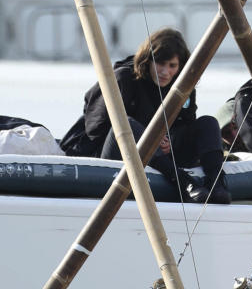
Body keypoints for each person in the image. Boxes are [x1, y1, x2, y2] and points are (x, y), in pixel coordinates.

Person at [59, 26, 231, 204]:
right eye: (160, 64)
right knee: (127, 125)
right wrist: (151, 139)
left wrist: (168, 141)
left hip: (161, 154)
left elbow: (186, 124)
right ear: (148, 61)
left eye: (172, 66)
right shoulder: (123, 78)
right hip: (114, 151)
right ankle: (182, 182)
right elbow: (96, 128)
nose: (165, 72)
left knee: (208, 123)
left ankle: (216, 184)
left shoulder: (182, 84)